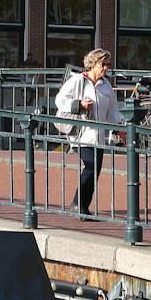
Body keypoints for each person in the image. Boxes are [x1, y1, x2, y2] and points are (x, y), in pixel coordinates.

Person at [55, 48, 123, 218]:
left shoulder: (106, 85)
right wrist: (78, 105)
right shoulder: (78, 80)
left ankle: (83, 207)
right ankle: (77, 204)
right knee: (90, 167)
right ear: (92, 64)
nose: (106, 68)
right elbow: (60, 100)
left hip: (98, 136)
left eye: (107, 64)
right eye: (103, 64)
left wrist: (118, 128)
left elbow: (113, 111)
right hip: (82, 134)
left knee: (95, 171)